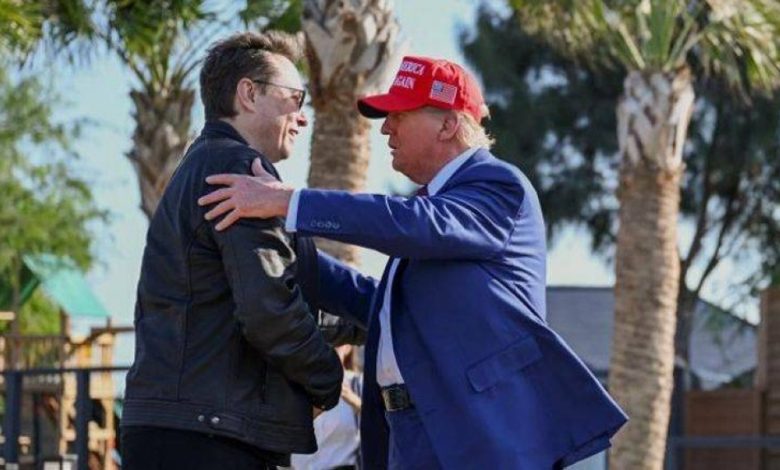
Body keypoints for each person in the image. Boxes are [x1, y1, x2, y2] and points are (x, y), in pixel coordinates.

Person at [198, 55, 628, 469]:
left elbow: (416, 224)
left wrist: (290, 202)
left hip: (480, 434)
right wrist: (283, 242)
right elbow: (379, 304)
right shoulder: (430, 212)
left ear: (448, 124)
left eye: (400, 114)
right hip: (411, 434)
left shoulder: (499, 186)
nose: (386, 127)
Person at [120, 32, 345, 470]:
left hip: (180, 429)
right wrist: (328, 378)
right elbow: (268, 308)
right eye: (296, 99)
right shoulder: (239, 170)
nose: (303, 118)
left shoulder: (202, 163)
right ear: (249, 93)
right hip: (209, 439)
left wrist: (375, 321)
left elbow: (252, 298)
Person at [290, 344, 363, 470]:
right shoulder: (295, 386)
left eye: (335, 344)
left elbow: (381, 424)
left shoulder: (357, 384)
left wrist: (352, 399)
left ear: (348, 347)